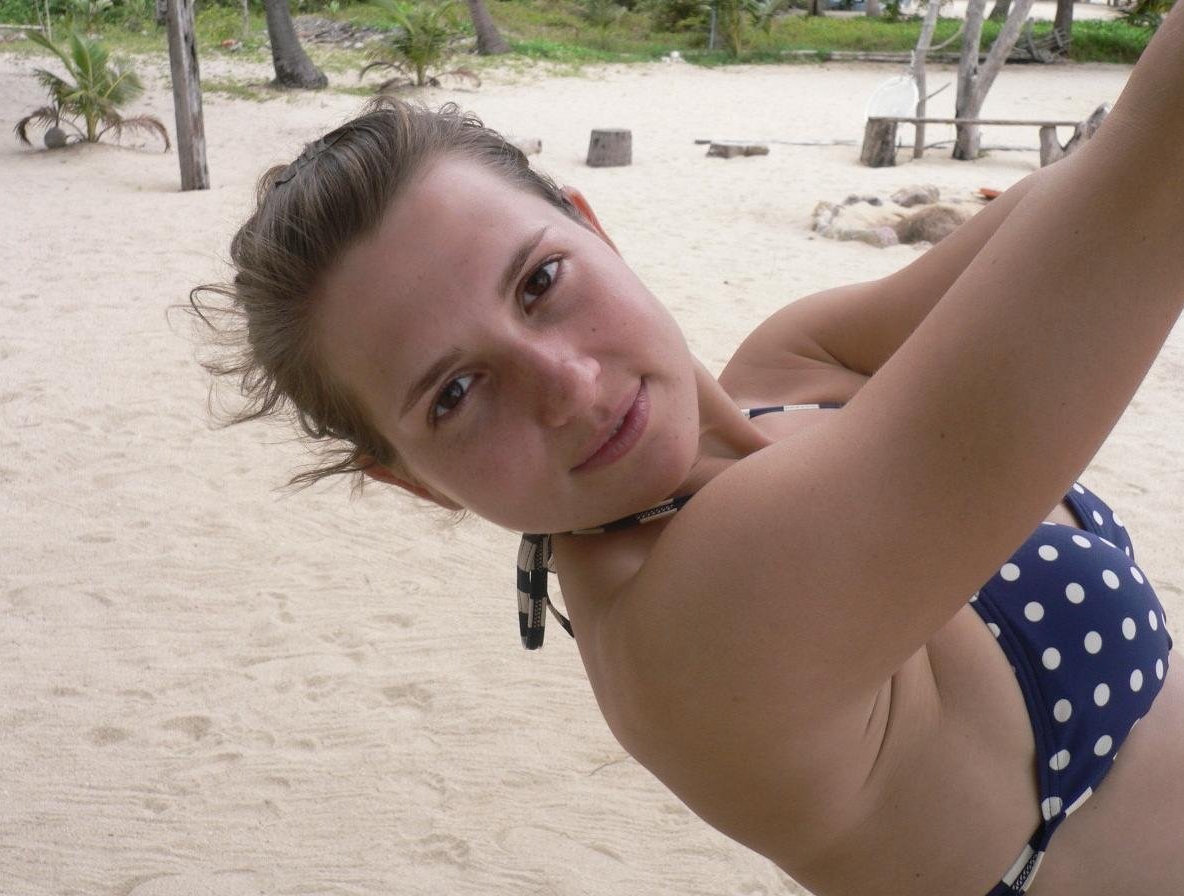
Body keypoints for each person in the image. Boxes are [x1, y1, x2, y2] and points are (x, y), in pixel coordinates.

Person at [192, 6, 1184, 893]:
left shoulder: (795, 362)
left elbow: (1081, 195)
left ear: (590, 224)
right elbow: (1151, 176)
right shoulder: (696, 620)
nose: (566, 386)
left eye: (539, 282)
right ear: (410, 479)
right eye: (454, 394)